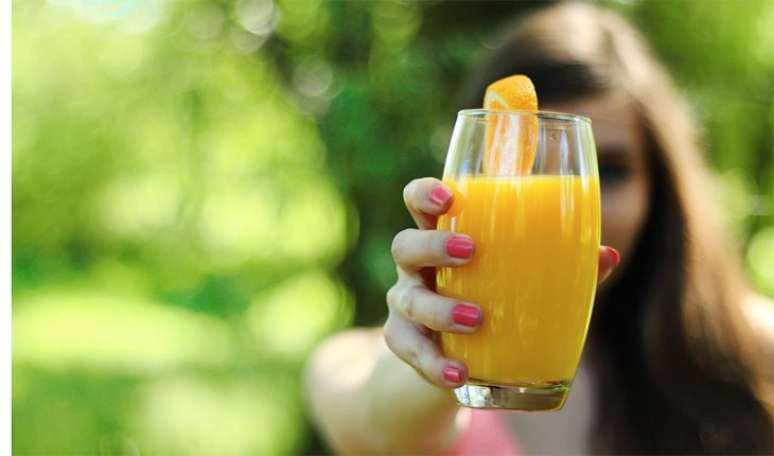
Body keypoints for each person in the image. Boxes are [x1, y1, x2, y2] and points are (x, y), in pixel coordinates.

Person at [305, 2, 774, 454]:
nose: (581, 208)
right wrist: (437, 360)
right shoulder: (356, 362)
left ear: (659, 188)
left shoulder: (756, 355)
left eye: (609, 170)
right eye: (528, 164)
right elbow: (373, 429)